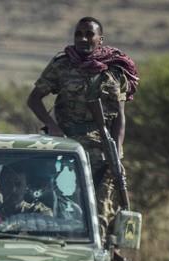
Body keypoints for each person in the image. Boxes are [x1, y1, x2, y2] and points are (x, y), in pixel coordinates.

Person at [26, 16, 139, 238]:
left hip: (103, 151)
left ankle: (99, 254)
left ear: (101, 39)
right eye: (78, 34)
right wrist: (53, 127)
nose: (83, 39)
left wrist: (116, 150)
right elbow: (34, 99)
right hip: (68, 151)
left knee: (101, 212)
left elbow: (119, 116)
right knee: (66, 209)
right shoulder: (62, 65)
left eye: (89, 34)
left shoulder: (115, 71)